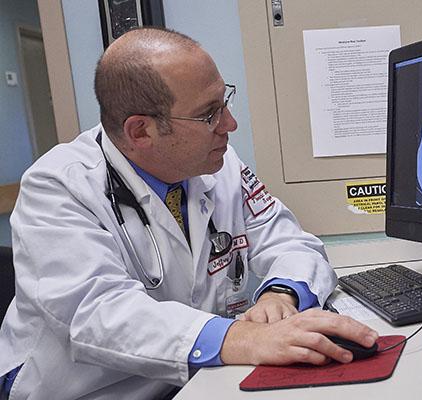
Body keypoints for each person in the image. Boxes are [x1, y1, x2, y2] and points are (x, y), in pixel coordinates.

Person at [0, 27, 377, 399]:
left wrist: (280, 294)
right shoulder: (58, 186)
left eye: (224, 102)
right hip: (88, 390)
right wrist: (239, 337)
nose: (230, 124)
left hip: (191, 381)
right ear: (141, 131)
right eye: (208, 114)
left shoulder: (218, 164)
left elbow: (288, 240)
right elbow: (96, 314)